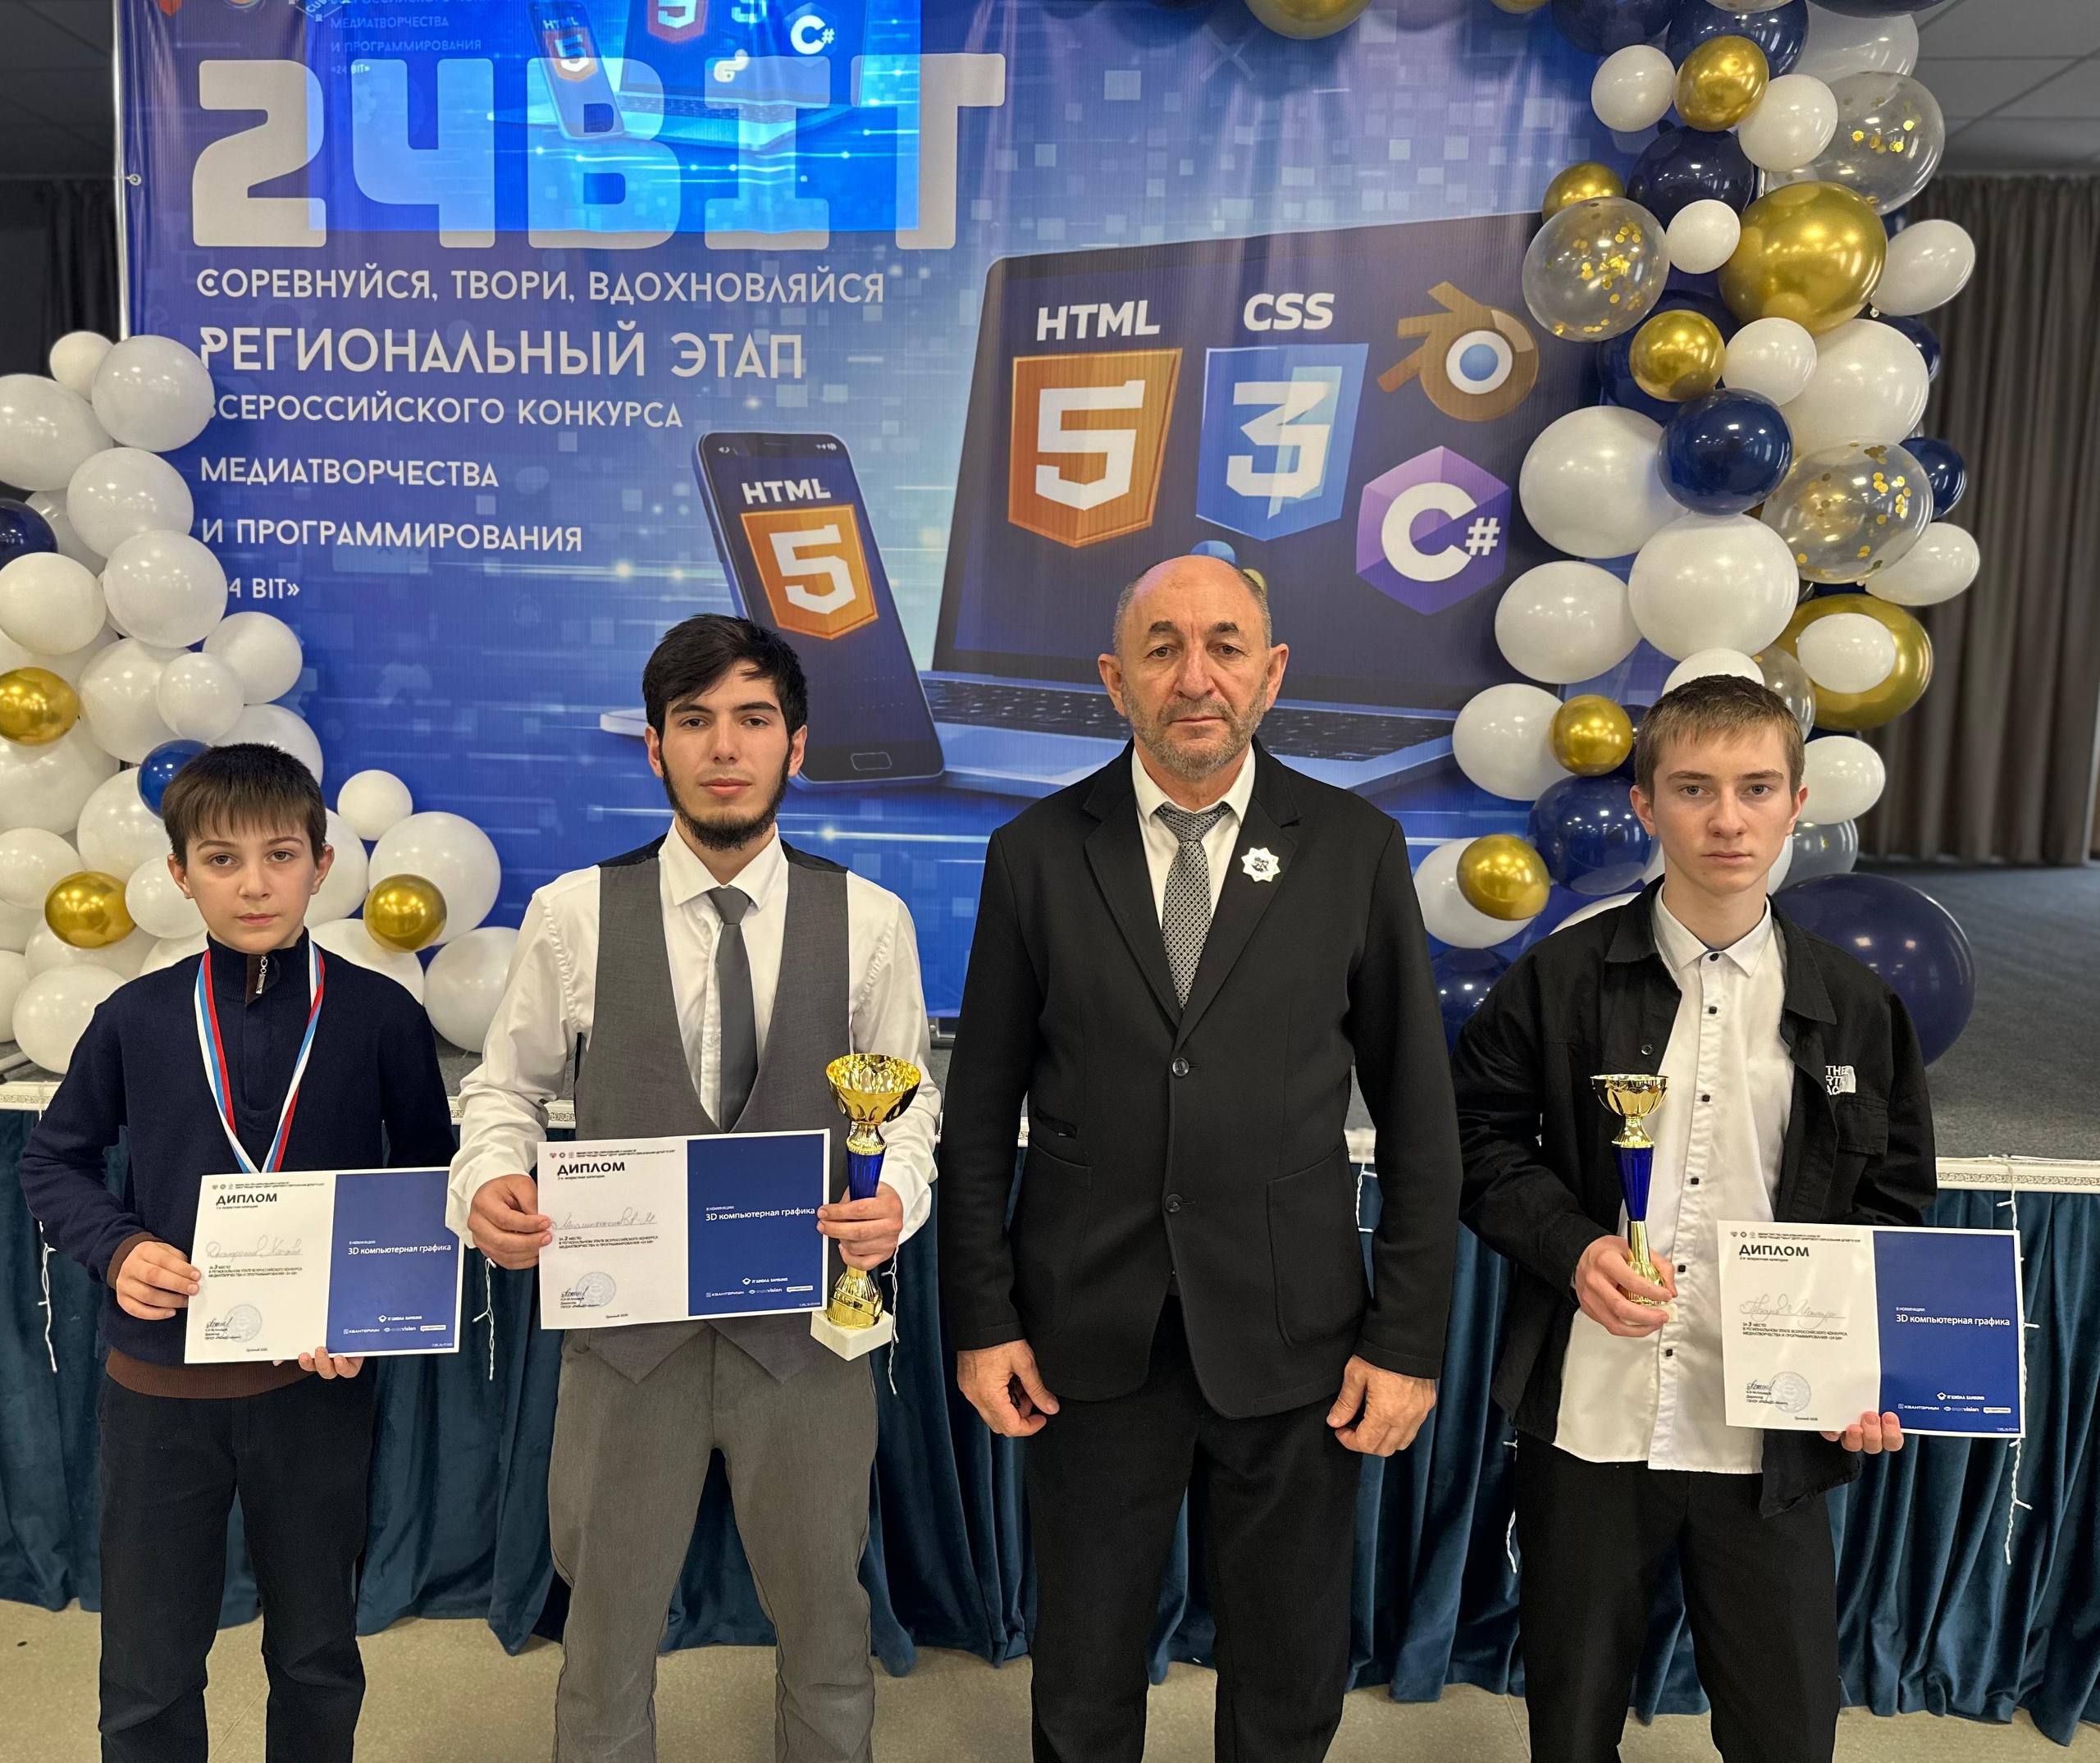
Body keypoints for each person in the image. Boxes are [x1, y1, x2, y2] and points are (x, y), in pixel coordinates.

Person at [939, 554, 1463, 1763]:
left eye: (1225, 646)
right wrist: (984, 1318)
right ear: (1113, 679)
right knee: (1083, 1675)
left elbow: (1419, 1118)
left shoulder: (1354, 846)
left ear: (1270, 674)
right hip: (1086, 1332)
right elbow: (980, 1114)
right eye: (1162, 647)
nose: (1195, 676)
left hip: (1295, 1336)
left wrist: (1406, 1339)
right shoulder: (1032, 852)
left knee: (1287, 1674)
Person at [453, 614, 938, 1763]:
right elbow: (503, 1089)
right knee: (605, 1633)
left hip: (807, 1336)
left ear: (796, 745)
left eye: (754, 719)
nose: (725, 746)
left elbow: (910, 1109)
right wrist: (489, 1179)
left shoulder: (873, 921)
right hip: (625, 1340)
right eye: (694, 719)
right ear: (655, 747)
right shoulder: (571, 913)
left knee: (826, 1622)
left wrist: (900, 1201)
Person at [1452, 674, 1937, 1763]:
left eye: (1756, 787)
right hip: (1593, 1413)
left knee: (1788, 1730)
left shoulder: (1858, 1006)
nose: (1727, 819)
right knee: (1571, 1727)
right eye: (1693, 788)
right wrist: (1572, 1246)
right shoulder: (1559, 979)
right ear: (1644, 804)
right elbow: (1474, 1140)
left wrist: (1872, 1371)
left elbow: (1894, 1201)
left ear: (1796, 803)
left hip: (1770, 1422)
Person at [19, 742, 456, 1763]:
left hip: (314, 1389)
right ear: (180, 874)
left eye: (279, 855)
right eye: (221, 859)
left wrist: (368, 1310)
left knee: (316, 1654)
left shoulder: (380, 1015)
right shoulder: (135, 1016)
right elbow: (53, 1161)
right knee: (147, 1668)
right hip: (159, 1392)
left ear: (321, 863)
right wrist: (117, 1247)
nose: (253, 883)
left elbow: (428, 1182)